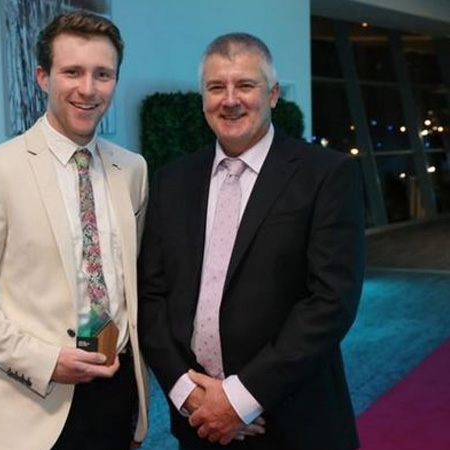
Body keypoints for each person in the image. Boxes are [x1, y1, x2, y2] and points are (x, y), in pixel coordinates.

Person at [138, 32, 364, 449]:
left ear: (272, 94)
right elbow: (151, 297)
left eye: (245, 85)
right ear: (203, 98)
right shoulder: (172, 180)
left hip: (293, 421)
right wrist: (188, 394)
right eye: (216, 87)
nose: (230, 100)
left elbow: (331, 302)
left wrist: (239, 400)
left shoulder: (326, 175)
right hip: (198, 421)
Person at [0, 11, 148, 450]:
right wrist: (45, 361)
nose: (88, 89)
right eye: (72, 72)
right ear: (42, 77)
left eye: (103, 74)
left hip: (116, 391)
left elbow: (132, 282)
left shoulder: (132, 169)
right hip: (32, 402)